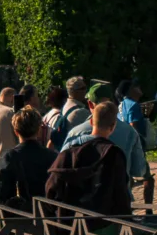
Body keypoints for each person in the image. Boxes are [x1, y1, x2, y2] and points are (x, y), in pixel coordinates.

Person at [47, 89, 136, 221]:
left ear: (91, 122)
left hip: (71, 220)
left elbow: (52, 185)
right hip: (104, 220)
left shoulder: (70, 149)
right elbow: (120, 192)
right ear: (113, 126)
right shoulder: (114, 154)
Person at [0, 109, 55, 210]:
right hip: (46, 212)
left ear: (16, 132)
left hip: (19, 213)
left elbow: (0, 190)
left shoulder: (9, 157)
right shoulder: (52, 156)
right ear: (39, 130)